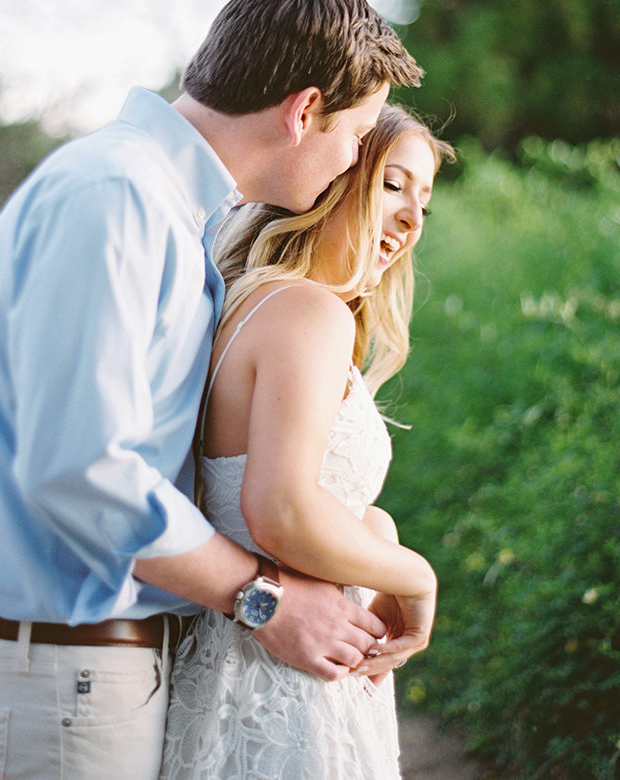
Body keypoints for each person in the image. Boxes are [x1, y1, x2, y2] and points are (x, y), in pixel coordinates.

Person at [0, 0, 424, 779]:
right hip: (61, 679)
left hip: (85, 677)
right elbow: (82, 470)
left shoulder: (163, 207)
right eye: (355, 136)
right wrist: (266, 600)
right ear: (303, 112)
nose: (352, 166)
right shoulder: (116, 199)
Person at [160, 104, 456, 780]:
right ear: (337, 173)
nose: (413, 220)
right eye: (393, 184)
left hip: (264, 662)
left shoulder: (258, 304)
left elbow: (258, 494)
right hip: (280, 680)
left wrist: (373, 531)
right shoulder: (306, 311)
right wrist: (416, 574)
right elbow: (281, 509)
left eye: (425, 202)